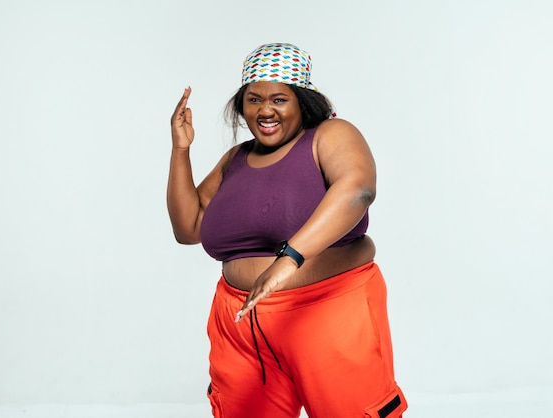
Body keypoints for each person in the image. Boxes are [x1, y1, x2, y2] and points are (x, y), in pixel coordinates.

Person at [167, 42, 407, 418]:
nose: (265, 110)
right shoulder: (236, 159)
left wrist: (287, 260)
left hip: (329, 311)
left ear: (302, 102)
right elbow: (188, 228)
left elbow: (358, 189)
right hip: (241, 323)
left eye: (279, 99)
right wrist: (180, 150)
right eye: (253, 99)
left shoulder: (329, 135)